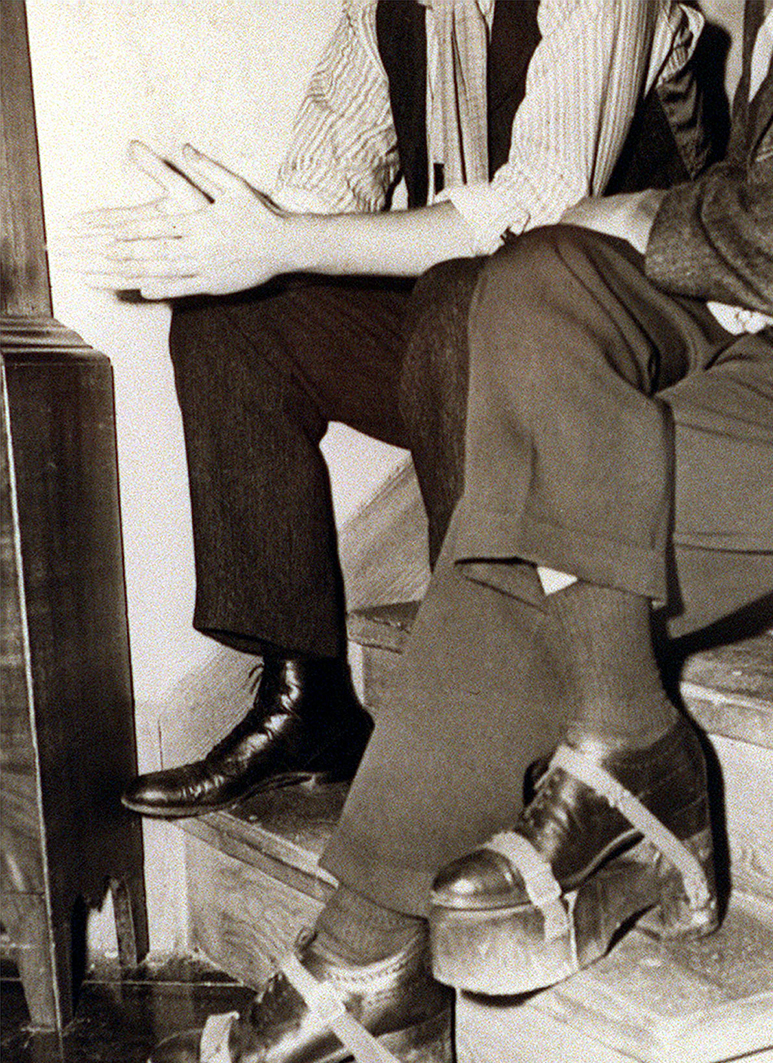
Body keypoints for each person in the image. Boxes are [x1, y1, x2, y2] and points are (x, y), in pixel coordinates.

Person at [137, 0, 773, 1063]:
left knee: (525, 526)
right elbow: (749, 205)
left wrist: (633, 214)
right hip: (772, 330)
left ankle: (365, 966)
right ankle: (630, 733)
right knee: (535, 281)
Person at [68, 0, 711, 820]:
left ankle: (496, 703)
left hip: (645, 354)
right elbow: (314, 196)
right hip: (480, 341)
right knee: (231, 315)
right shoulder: (382, 13)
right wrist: (225, 236)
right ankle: (307, 703)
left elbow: (537, 203)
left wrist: (285, 239)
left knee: (462, 295)